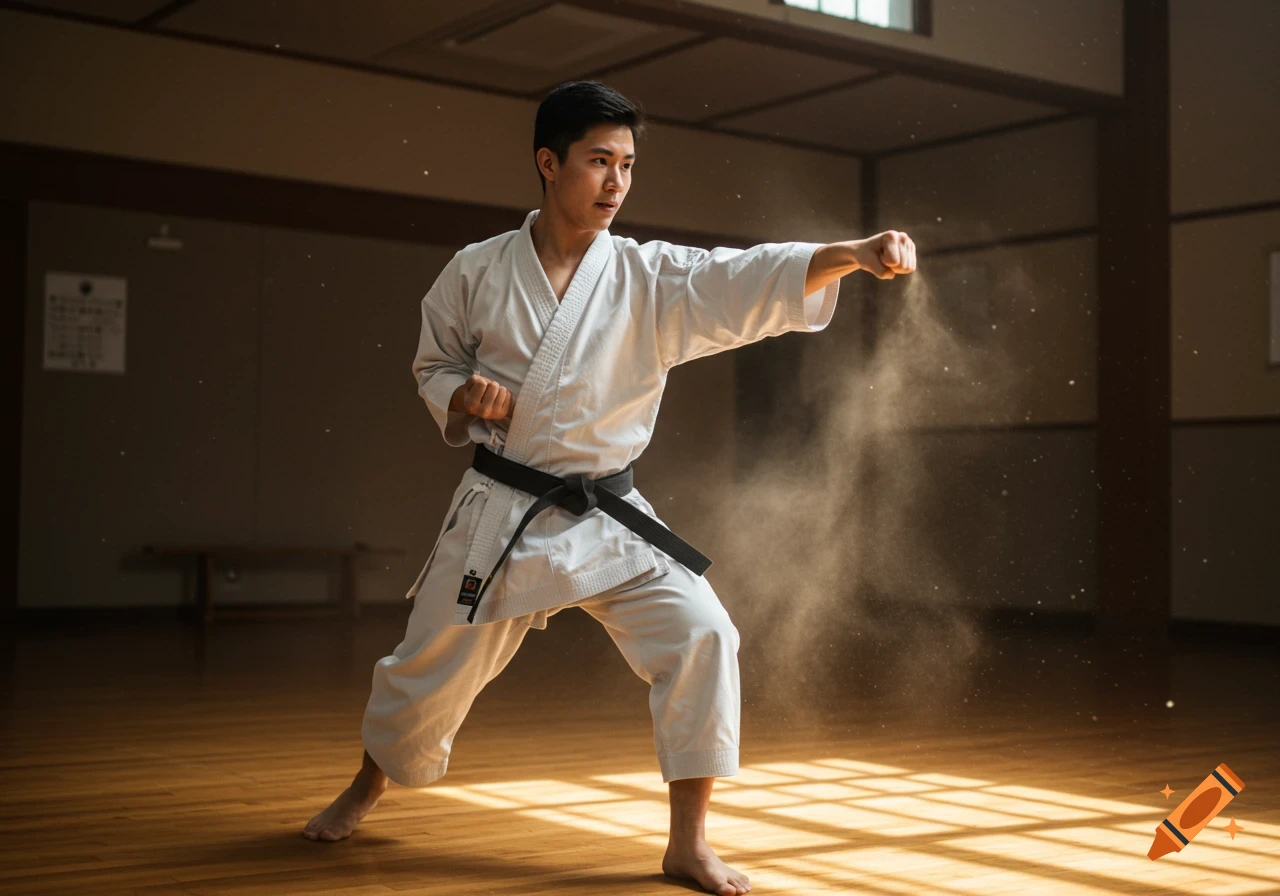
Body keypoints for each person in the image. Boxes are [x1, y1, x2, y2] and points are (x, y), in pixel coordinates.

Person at [303, 80, 916, 896]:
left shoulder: (647, 275)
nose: (618, 181)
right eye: (599, 161)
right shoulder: (477, 270)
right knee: (427, 663)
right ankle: (365, 788)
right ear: (549, 163)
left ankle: (688, 843)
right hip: (504, 510)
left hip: (608, 512)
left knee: (703, 633)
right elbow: (434, 362)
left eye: (628, 164)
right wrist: (461, 393)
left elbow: (744, 278)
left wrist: (849, 252)